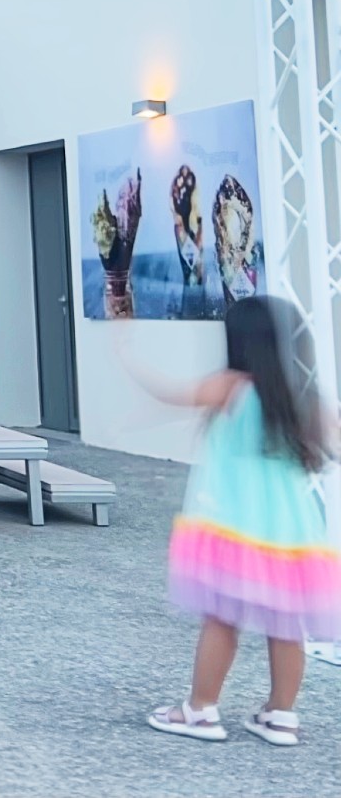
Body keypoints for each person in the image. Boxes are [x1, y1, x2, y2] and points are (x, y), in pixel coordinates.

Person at [138, 295, 340, 747]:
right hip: (293, 537)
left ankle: (201, 709)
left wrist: (131, 361)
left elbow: (169, 393)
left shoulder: (230, 386)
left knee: (222, 619)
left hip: (233, 529)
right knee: (287, 625)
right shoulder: (305, 399)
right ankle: (282, 716)